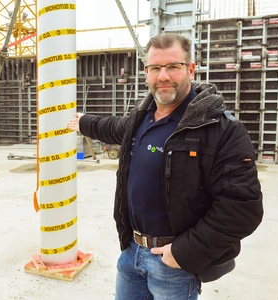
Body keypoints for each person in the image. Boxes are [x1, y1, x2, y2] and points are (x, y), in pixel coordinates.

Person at [66, 33, 263, 300]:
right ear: (146, 72)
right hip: (131, 254)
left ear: (190, 69)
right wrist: (82, 121)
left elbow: (242, 208)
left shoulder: (221, 129)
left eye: (173, 66)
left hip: (173, 265)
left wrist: (183, 253)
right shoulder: (141, 118)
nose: (163, 76)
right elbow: (112, 128)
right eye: (155, 68)